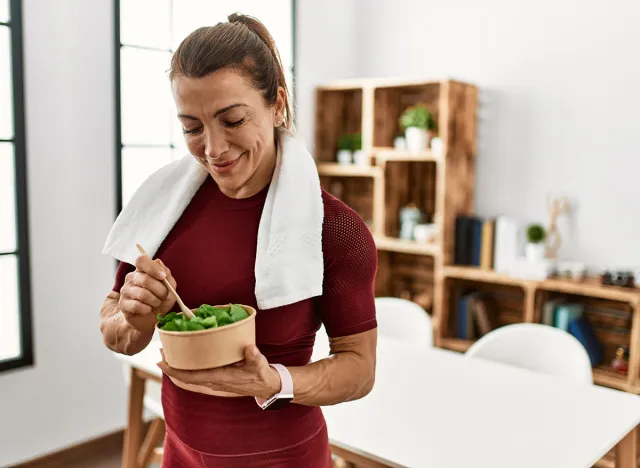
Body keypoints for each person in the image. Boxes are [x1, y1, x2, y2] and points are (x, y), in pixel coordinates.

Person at [99, 13, 378, 468]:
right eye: (192, 127)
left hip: (285, 458)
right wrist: (133, 317)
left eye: (232, 120)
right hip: (181, 455)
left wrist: (274, 382)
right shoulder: (163, 209)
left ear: (277, 105)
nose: (213, 149)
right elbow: (117, 332)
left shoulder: (334, 228)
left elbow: (359, 369)